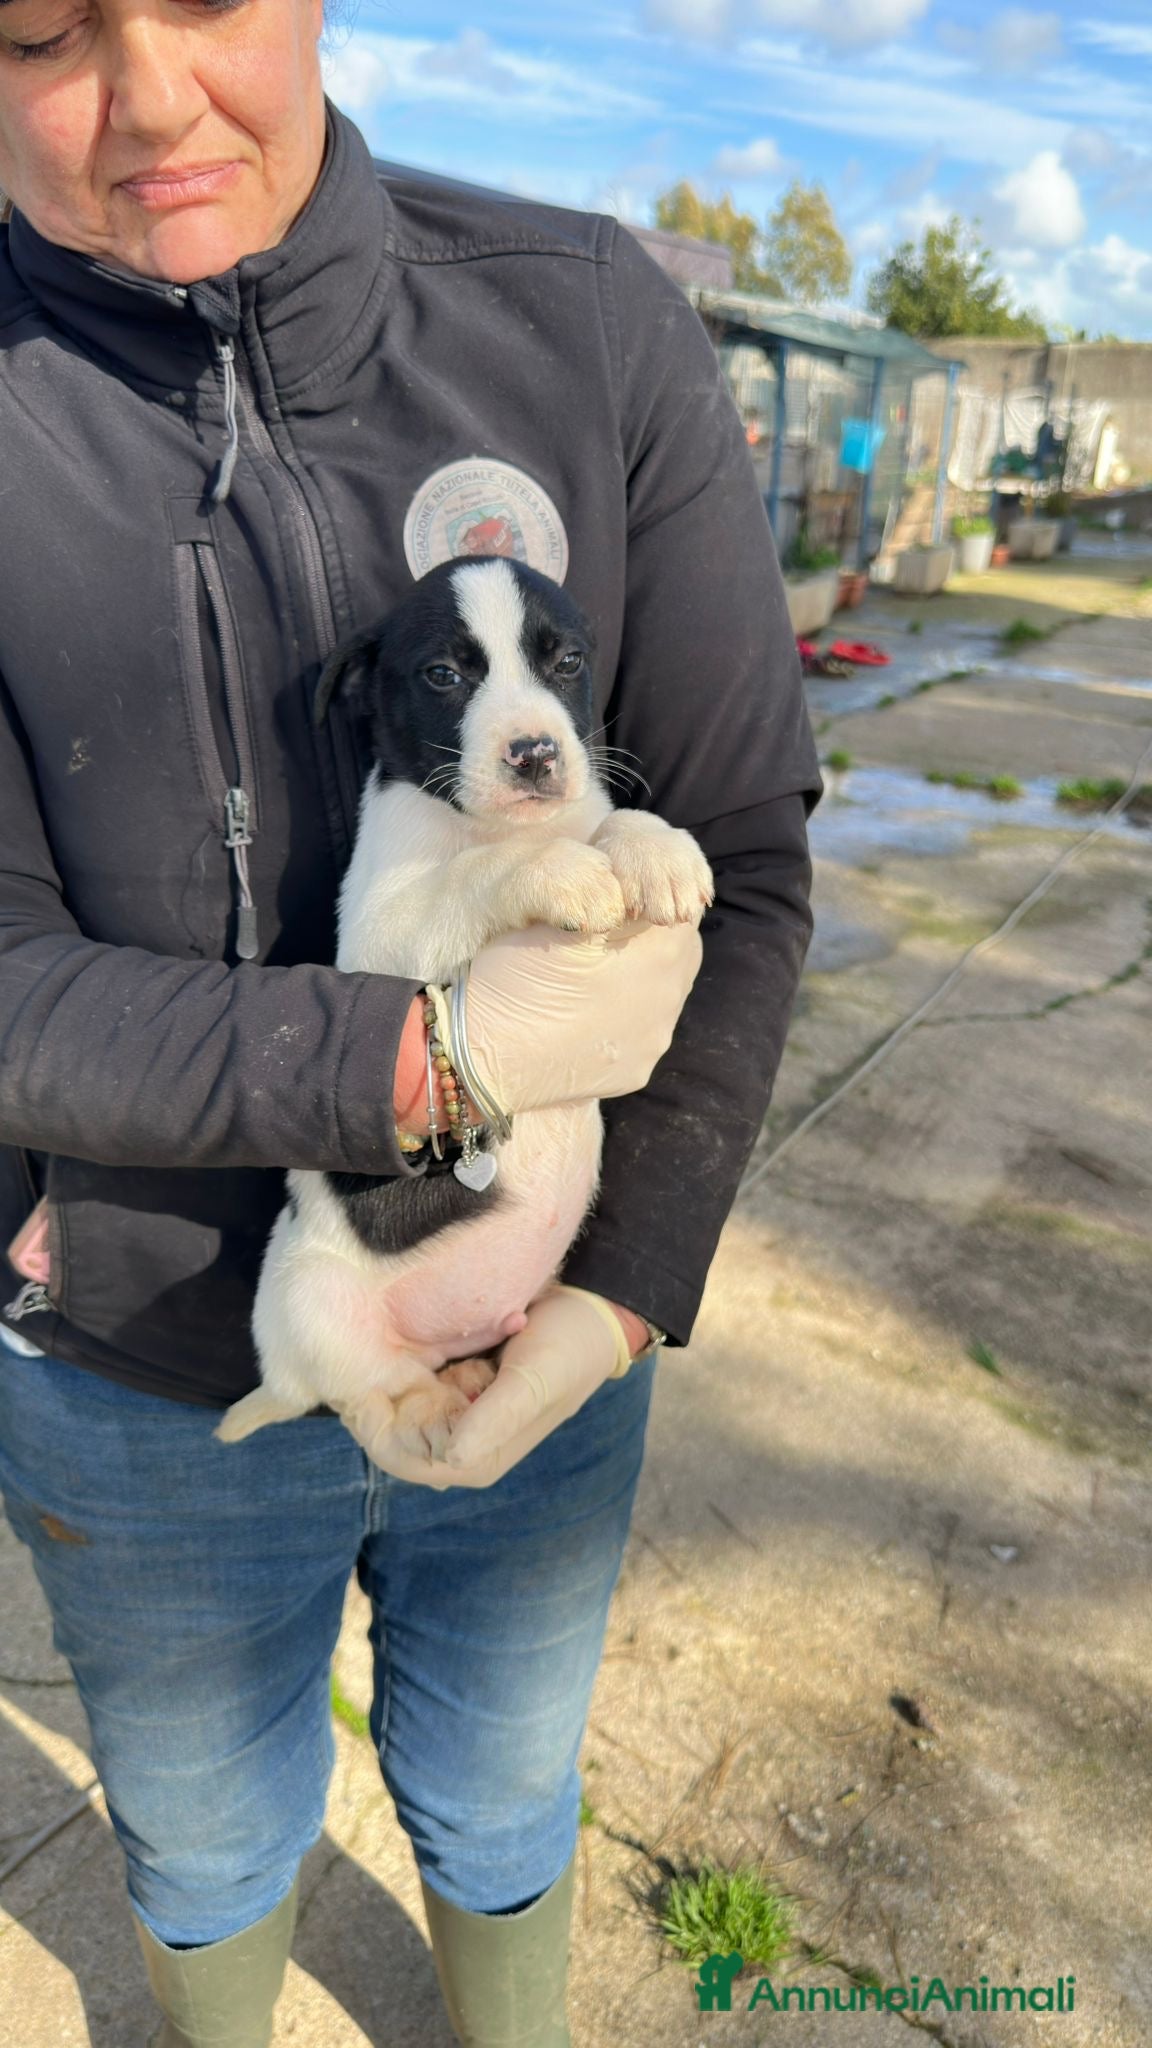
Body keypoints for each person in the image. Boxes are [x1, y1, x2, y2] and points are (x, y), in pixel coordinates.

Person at [0, 0, 820, 2039]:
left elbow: (744, 848)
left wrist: (623, 1285)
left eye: (202, 3)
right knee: (198, 1831)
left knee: (501, 1778)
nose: (149, 99)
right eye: (35, 35)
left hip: (544, 1305)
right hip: (135, 1354)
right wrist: (422, 1065)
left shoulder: (590, 321)